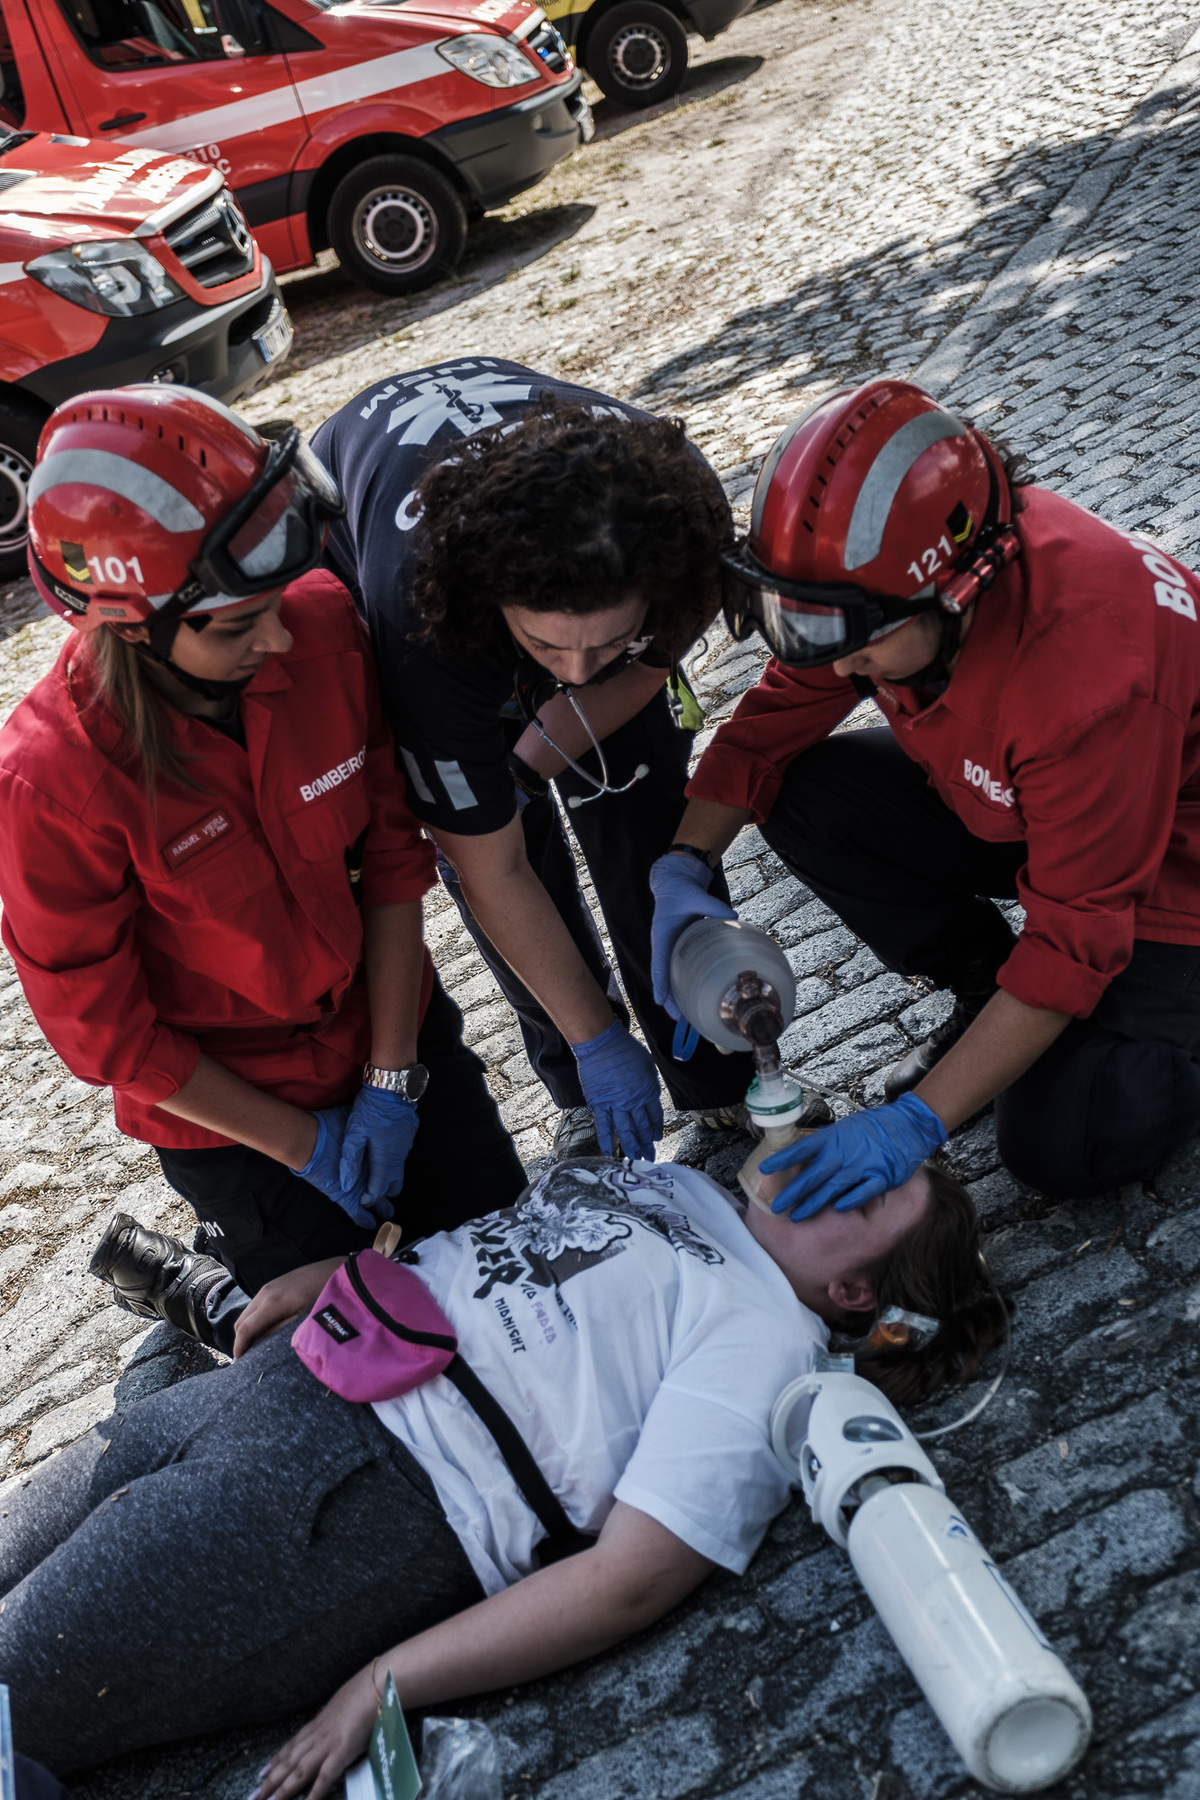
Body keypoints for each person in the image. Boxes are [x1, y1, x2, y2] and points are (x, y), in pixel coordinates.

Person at [0, 1154, 1004, 1784]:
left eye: (862, 1193)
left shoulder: (770, 1344)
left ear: (853, 1286)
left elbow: (631, 1580)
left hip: (353, 1507)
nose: (832, 1161)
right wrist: (332, 1280)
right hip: (288, 1380)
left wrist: (382, 1684)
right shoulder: (690, 1187)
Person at [0, 384, 524, 1355]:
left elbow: (395, 862)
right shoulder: (50, 780)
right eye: (240, 628)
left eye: (276, 604)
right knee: (349, 1359)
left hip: (388, 1032)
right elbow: (108, 1036)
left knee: (510, 1282)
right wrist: (301, 1145)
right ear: (132, 625)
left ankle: (230, 1276)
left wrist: (395, 1077)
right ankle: (203, 1292)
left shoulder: (317, 624)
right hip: (233, 1114)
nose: (283, 637)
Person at [650, 376, 1200, 1213]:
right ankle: (986, 991)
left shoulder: (1087, 683)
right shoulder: (893, 592)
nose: (833, 668)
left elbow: (1074, 940)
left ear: (960, 587)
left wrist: (918, 1120)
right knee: (809, 792)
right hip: (1048, 809)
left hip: (1174, 873)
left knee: (1066, 1142)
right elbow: (770, 727)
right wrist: (684, 868)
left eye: (854, 643)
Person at [312, 356, 754, 1164]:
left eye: (607, 639)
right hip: (403, 570)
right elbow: (490, 869)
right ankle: (581, 1083)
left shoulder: (685, 522)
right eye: (548, 643)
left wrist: (546, 741)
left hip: (593, 575)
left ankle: (716, 1079)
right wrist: (595, 1036)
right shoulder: (420, 615)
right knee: (498, 847)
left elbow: (644, 669)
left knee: (646, 832)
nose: (575, 675)